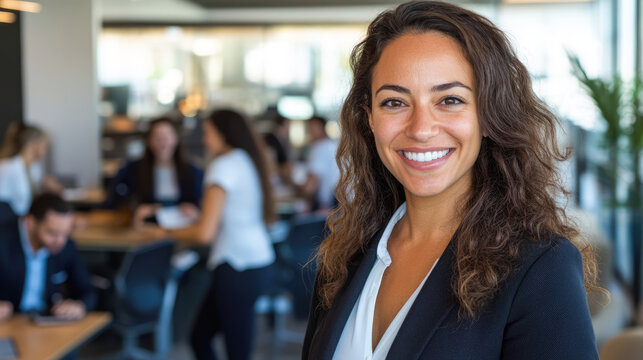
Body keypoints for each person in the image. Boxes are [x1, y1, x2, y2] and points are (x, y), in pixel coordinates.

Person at [303, 2, 600, 360]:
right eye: (395, 102)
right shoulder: (346, 253)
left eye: (449, 100)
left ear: (489, 115)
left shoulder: (539, 268)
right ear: (369, 118)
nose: (421, 129)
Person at [159, 109, 275, 360]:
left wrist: (164, 231)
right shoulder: (246, 159)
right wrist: (199, 214)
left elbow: (204, 234)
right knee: (200, 337)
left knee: (233, 350)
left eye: (208, 133)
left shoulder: (222, 166)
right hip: (256, 261)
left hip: (236, 265)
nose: (204, 140)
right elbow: (232, 212)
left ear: (224, 134)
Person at [0, 193, 96, 322]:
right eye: (52, 233)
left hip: (46, 323)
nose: (60, 241)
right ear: (30, 222)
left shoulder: (65, 245)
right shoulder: (3, 241)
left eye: (65, 234)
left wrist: (80, 306)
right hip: (9, 324)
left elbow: (87, 290)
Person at [103, 116, 203, 225]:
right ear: (149, 141)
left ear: (176, 139)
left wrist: (195, 211)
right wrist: (137, 209)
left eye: (167, 136)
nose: (162, 143)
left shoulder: (193, 171)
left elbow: (203, 205)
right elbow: (116, 199)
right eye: (157, 137)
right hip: (148, 227)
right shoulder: (134, 169)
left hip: (183, 227)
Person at [0, 122, 63, 217]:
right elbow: (20, 207)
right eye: (44, 145)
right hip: (9, 225)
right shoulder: (11, 168)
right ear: (33, 144)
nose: (45, 150)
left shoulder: (32, 168)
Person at [300, 115, 339, 212]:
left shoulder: (319, 148)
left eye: (312, 128)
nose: (310, 132)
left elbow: (310, 187)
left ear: (322, 128)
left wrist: (294, 187)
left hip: (328, 206)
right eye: (308, 129)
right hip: (340, 204)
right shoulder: (333, 145)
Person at [263, 113, 294, 187]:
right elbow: (270, 163)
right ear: (281, 126)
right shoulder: (270, 140)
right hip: (272, 179)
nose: (289, 129)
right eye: (288, 126)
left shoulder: (282, 140)